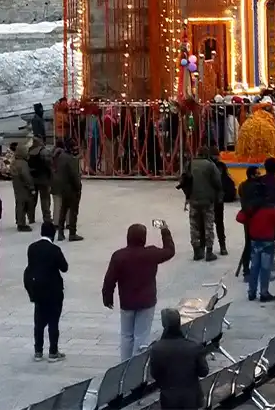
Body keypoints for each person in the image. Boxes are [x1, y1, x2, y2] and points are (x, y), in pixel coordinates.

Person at [101, 220, 176, 360]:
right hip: (146, 302)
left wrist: (107, 297)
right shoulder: (151, 253)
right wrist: (165, 231)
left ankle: (124, 364)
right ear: (144, 238)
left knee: (126, 335)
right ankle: (137, 367)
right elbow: (170, 251)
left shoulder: (119, 256)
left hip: (127, 301)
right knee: (142, 336)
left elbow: (109, 279)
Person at [147, 308, 207, 410]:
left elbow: (154, 374)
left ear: (163, 325)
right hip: (192, 398)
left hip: (169, 399)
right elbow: (203, 372)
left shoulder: (156, 349)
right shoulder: (193, 346)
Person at [25, 221, 67, 361]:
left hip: (38, 290)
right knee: (53, 321)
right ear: (53, 234)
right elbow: (64, 267)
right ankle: (53, 352)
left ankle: (38, 351)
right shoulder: (54, 250)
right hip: (53, 291)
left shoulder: (32, 248)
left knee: (39, 322)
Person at [238, 187, 275, 303]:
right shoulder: (271, 208)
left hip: (254, 241)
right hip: (268, 242)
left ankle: (251, 292)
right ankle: (264, 293)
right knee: (265, 268)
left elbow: (239, 218)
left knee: (254, 267)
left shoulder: (251, 207)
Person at [179, 148, 223, 262]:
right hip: (207, 200)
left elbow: (183, 181)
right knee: (208, 225)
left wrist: (188, 195)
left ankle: (196, 251)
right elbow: (218, 182)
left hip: (194, 200)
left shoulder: (189, 164)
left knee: (194, 226)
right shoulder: (210, 165)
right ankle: (209, 252)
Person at [50, 138, 83, 242]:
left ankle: (60, 232)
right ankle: (72, 233)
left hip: (62, 188)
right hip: (71, 189)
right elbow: (75, 176)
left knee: (63, 210)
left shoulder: (61, 157)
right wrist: (78, 187)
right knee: (73, 211)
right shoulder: (71, 159)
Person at [28, 139, 53, 228]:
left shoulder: (29, 151)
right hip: (43, 179)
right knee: (45, 199)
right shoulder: (43, 151)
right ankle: (47, 217)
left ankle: (31, 217)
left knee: (32, 199)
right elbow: (49, 165)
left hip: (33, 179)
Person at [11, 144, 36, 232]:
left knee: (19, 204)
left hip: (17, 186)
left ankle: (19, 221)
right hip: (24, 187)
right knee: (24, 205)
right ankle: (22, 224)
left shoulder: (14, 162)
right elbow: (26, 176)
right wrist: (32, 187)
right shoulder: (23, 163)